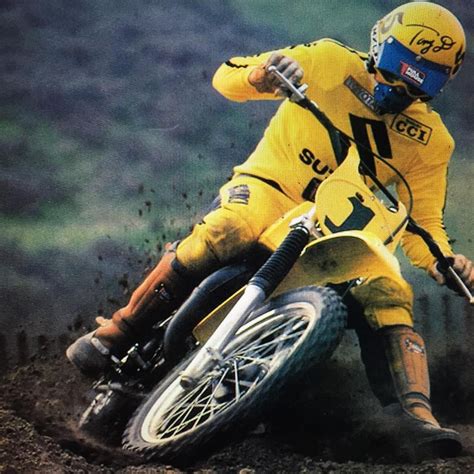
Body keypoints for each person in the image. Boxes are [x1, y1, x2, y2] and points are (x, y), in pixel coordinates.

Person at [67, 2, 473, 455]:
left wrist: (445, 262)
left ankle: (414, 418)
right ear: (380, 43)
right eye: (401, 64)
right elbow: (228, 75)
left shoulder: (433, 141)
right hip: (270, 189)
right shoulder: (328, 59)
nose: (405, 82)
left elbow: (424, 222)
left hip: (336, 230)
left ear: (442, 83)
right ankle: (120, 329)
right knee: (231, 227)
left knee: (390, 290)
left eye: (426, 76)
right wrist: (263, 76)